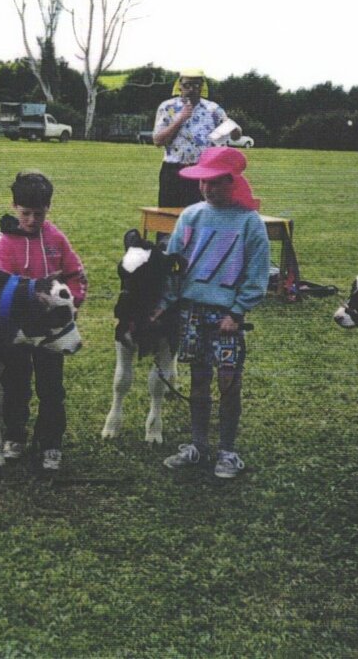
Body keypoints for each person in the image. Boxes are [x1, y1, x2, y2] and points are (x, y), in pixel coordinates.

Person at [153, 147, 269, 478]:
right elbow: (174, 265)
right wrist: (164, 304)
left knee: (228, 381)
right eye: (203, 182)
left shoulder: (250, 223)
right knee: (199, 379)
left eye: (215, 182)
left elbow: (257, 275)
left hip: (226, 317)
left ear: (231, 182)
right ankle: (199, 445)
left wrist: (237, 311)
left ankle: (227, 451)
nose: (206, 189)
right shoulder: (191, 216)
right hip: (192, 311)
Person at [0, 170, 87, 472]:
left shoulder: (56, 238)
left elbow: (76, 275)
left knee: (51, 387)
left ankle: (50, 443)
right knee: (16, 384)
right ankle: (14, 436)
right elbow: (4, 287)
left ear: (49, 208)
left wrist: (70, 303)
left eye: (39, 213)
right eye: (25, 213)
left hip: (51, 333)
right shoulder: (6, 242)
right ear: (14, 207)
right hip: (20, 330)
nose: (32, 220)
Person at [152, 69, 241, 208]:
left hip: (203, 171)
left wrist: (234, 129)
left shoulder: (213, 109)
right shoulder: (167, 107)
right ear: (179, 85)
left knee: (200, 216)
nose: (192, 89)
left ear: (202, 86)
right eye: (187, 85)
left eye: (196, 85)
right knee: (168, 217)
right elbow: (158, 141)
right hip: (173, 171)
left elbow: (235, 135)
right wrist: (180, 119)